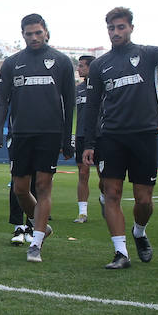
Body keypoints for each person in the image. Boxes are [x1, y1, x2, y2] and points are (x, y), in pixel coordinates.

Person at [81, 8, 158, 269]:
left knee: (144, 200)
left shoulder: (147, 53)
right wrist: (89, 143)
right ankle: (120, 253)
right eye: (111, 28)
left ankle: (139, 232)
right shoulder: (99, 65)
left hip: (144, 134)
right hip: (111, 136)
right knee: (112, 193)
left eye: (121, 27)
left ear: (131, 27)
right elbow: (92, 106)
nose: (116, 32)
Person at [0, 14, 75, 263]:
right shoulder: (12, 63)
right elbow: (2, 100)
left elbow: (71, 104)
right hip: (20, 134)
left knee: (44, 187)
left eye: (38, 32)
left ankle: (35, 243)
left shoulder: (61, 61)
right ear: (23, 35)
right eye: (29, 34)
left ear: (46, 31)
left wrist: (68, 139)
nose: (34, 37)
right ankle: (42, 226)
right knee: (20, 189)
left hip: (50, 133)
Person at [71, 55, 95, 223]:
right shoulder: (77, 90)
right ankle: (82, 212)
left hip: (100, 136)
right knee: (83, 173)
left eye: (81, 66)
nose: (78, 69)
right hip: (80, 136)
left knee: (105, 178)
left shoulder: (102, 88)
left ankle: (105, 199)